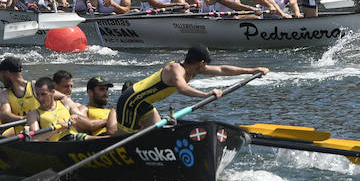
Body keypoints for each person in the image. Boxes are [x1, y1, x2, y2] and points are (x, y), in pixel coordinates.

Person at [114, 44, 267, 132]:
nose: (206, 67)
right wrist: (206, 94)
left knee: (157, 134)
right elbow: (182, 88)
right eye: (205, 64)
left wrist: (253, 70)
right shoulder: (176, 69)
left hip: (145, 104)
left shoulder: (195, 69)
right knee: (124, 141)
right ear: (200, 62)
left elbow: (222, 69)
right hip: (131, 101)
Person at [0, 57, 38, 123]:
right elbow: (5, 115)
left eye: (0, 74)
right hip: (20, 132)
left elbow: (60, 96)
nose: (0, 79)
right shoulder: (4, 94)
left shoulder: (35, 86)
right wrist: (24, 119)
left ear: (7, 73)